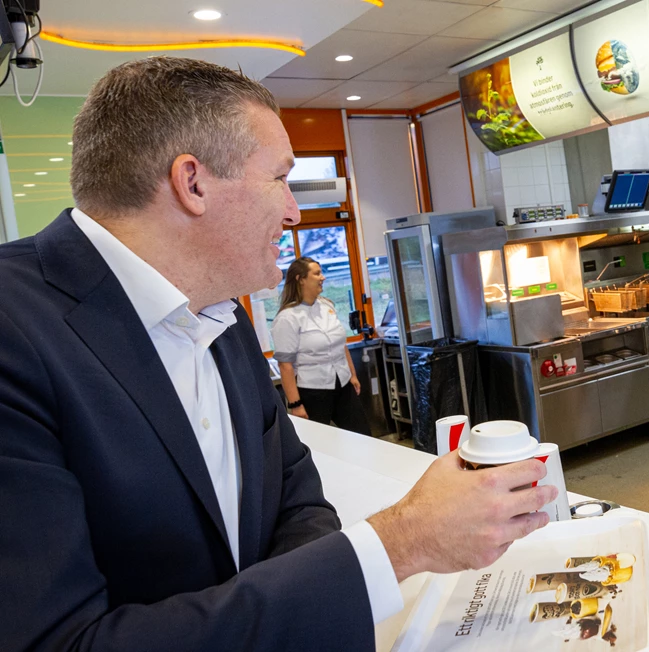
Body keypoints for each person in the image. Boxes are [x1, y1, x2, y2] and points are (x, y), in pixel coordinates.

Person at [0, 57, 555, 651]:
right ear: (193, 183)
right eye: (280, 178)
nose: (293, 211)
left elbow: (293, 491)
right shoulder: (16, 331)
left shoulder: (221, 311)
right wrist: (403, 542)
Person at [272, 256, 370, 435]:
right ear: (301, 279)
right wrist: (296, 404)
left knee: (363, 435)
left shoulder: (327, 306)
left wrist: (352, 375)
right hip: (313, 391)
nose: (322, 277)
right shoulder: (287, 318)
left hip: (342, 383)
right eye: (317, 274)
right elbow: (285, 366)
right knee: (319, 443)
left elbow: (340, 345)